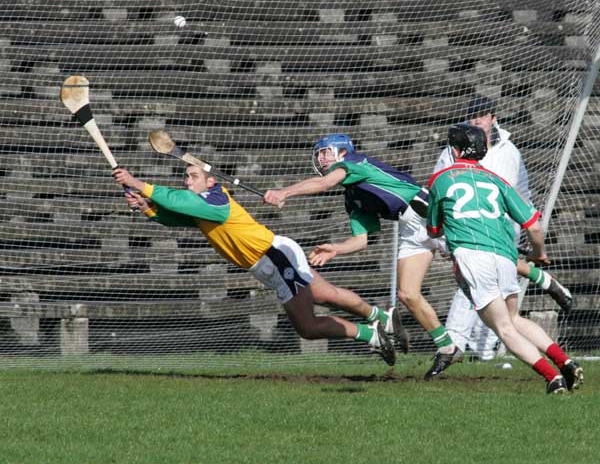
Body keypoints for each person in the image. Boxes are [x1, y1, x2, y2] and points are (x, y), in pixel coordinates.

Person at [112, 164, 397, 366]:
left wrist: (138, 183)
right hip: (273, 258)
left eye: (194, 176)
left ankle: (373, 336)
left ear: (211, 181)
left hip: (274, 257)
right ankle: (382, 318)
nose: (188, 180)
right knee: (327, 294)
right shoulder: (202, 205)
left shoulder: (215, 198)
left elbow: (180, 200)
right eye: (186, 176)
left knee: (308, 328)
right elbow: (180, 216)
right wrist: (148, 208)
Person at [263, 134, 460, 379]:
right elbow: (362, 240)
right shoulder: (353, 196)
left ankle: (523, 265)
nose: (321, 158)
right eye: (318, 154)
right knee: (407, 294)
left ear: (343, 152)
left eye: (326, 152)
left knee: (480, 264)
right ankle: (447, 348)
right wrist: (336, 248)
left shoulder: (353, 163)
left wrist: (284, 192)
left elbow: (324, 184)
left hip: (428, 213)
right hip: (409, 228)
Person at [427, 124, 583, 393]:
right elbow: (534, 226)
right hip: (505, 256)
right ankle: (564, 361)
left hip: (474, 256)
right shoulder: (497, 180)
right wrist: (538, 253)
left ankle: (552, 379)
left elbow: (434, 229)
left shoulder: (441, 180)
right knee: (513, 318)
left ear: (454, 150)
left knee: (504, 329)